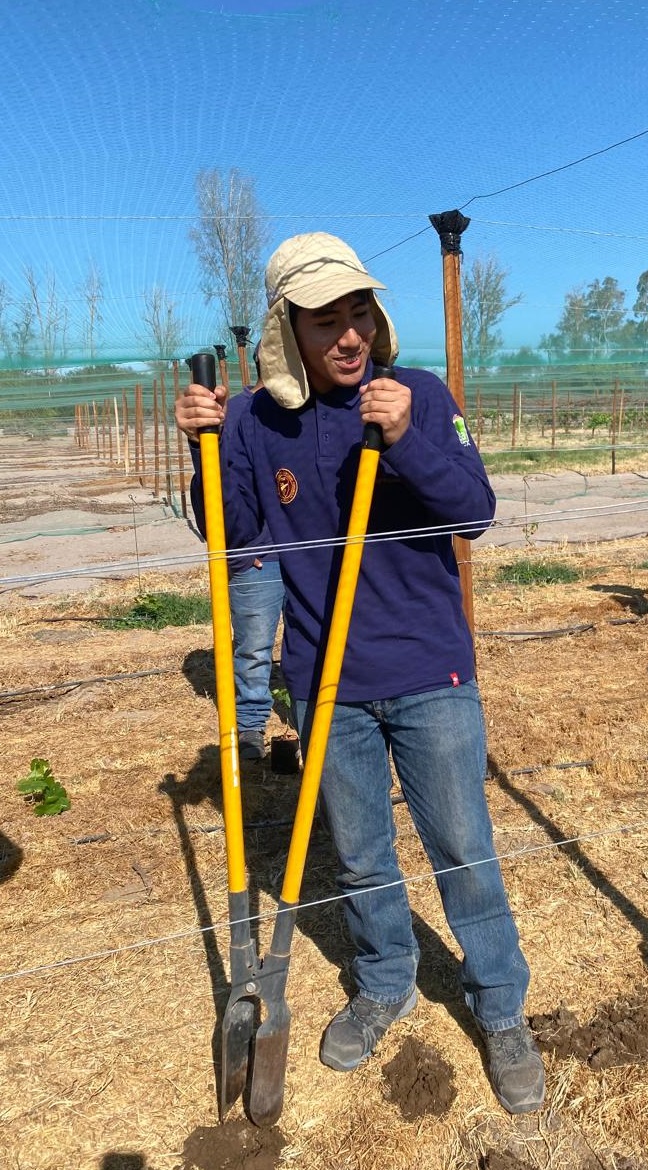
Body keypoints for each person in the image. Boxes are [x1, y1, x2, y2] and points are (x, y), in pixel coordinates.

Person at [174, 232, 545, 1115]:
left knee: (461, 846)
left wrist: (408, 437)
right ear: (287, 333)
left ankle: (501, 1009)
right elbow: (233, 532)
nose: (348, 337)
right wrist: (207, 447)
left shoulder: (414, 394)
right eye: (324, 321)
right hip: (326, 680)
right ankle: (385, 982)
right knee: (362, 852)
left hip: (429, 672)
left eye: (357, 315)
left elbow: (476, 510)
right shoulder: (263, 421)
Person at [222, 343, 286, 761]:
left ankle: (317, 713)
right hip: (260, 557)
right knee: (254, 648)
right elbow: (226, 491)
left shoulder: (308, 408)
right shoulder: (240, 412)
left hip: (309, 552)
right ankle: (250, 725)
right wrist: (246, 550)